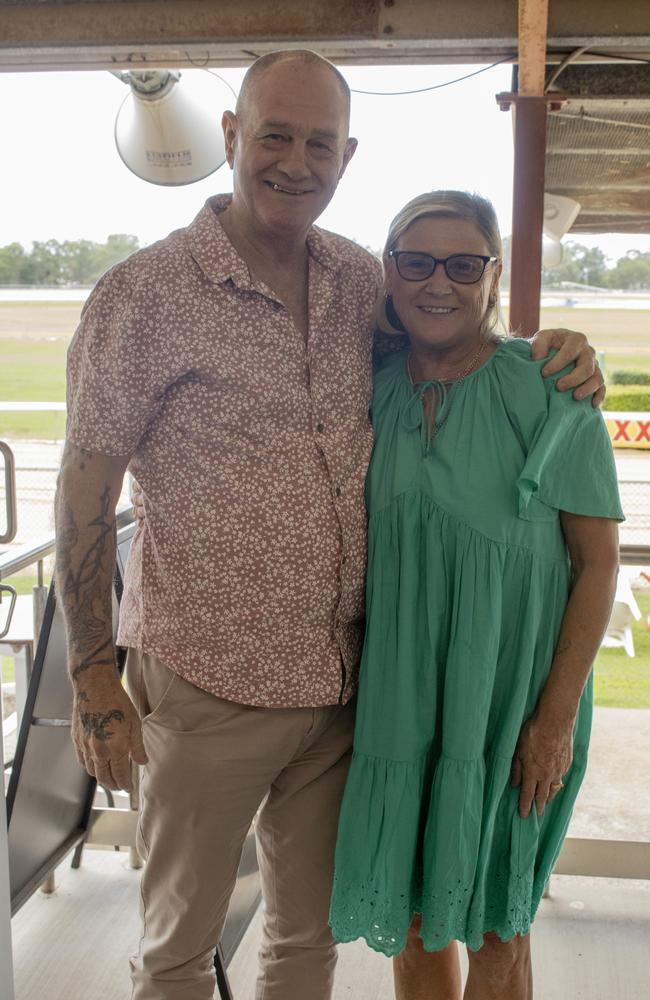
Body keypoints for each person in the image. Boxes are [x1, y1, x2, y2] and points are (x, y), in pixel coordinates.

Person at [54, 50, 605, 1000]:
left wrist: (554, 345)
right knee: (180, 946)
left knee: (306, 943)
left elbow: (459, 343)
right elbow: (84, 492)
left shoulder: (359, 282)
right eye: (275, 134)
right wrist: (92, 675)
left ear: (347, 156)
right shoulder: (142, 296)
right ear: (231, 136)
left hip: (345, 690)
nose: (295, 161)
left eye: (319, 142)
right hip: (208, 680)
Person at [328, 190, 623, 1000]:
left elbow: (599, 565)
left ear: (493, 277)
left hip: (514, 704)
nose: (438, 283)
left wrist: (553, 724)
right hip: (400, 703)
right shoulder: (364, 388)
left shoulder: (551, 389)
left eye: (464, 264)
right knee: (417, 923)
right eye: (416, 261)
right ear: (390, 276)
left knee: (499, 927)